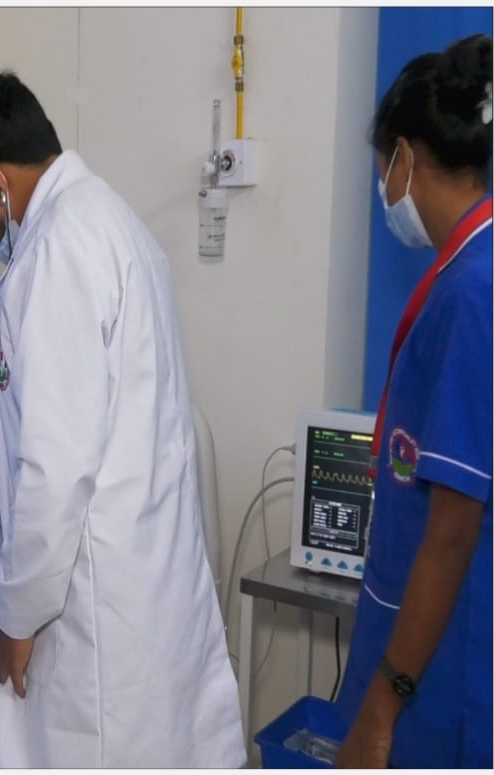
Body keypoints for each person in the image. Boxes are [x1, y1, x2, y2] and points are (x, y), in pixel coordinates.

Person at [0, 68, 245, 768]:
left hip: (96, 615)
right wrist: (1, 459)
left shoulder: (54, 254)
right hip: (148, 584)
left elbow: (56, 469)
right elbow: (97, 425)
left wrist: (16, 618)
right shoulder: (116, 224)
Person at [334, 34, 492, 769]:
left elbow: (454, 529)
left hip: (442, 672)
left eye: (380, 171)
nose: (384, 190)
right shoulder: (462, 271)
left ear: (403, 157)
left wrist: (382, 703)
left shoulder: (473, 292)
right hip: (420, 643)